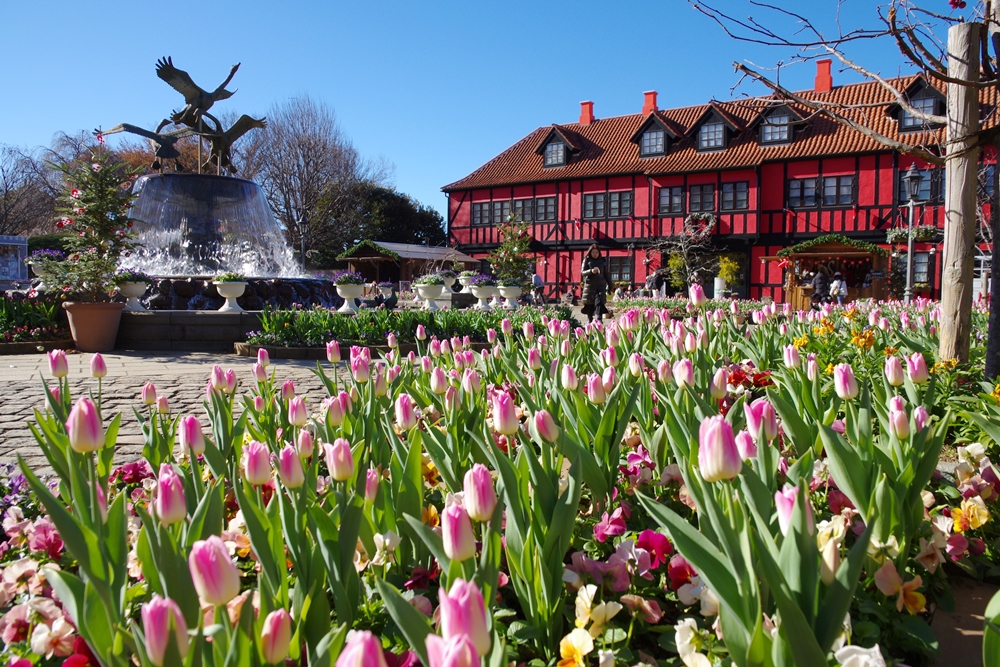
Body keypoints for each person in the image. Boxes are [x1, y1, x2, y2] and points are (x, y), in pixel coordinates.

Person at [581, 244, 610, 322]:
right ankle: (589, 319)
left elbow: (606, 273)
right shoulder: (587, 260)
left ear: (599, 253)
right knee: (589, 303)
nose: (595, 254)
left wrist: (610, 284)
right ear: (590, 252)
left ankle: (599, 319)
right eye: (593, 252)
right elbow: (583, 272)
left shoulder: (603, 261)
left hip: (600, 285)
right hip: (590, 285)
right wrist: (591, 271)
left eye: (596, 252)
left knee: (600, 302)